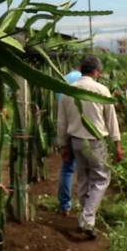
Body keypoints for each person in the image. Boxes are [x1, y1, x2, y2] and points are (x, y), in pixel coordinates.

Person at [58, 55, 123, 239]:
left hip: (76, 141)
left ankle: (84, 216)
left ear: (81, 69)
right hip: (96, 141)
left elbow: (61, 122)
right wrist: (117, 144)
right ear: (96, 71)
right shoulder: (101, 90)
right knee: (101, 179)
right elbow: (112, 121)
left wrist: (63, 145)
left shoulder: (67, 91)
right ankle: (87, 219)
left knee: (84, 178)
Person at [56, 70, 82, 216]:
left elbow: (58, 108)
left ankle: (64, 206)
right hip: (84, 130)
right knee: (85, 171)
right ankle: (85, 205)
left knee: (67, 169)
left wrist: (62, 142)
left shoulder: (63, 79)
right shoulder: (89, 83)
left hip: (68, 129)